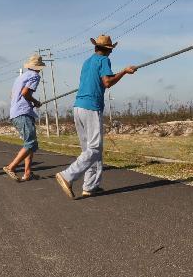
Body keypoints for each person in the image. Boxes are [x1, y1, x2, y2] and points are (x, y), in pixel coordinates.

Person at [55, 35, 136, 199]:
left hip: (78, 107)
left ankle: (91, 186)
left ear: (95, 47)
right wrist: (124, 72)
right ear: (108, 50)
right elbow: (107, 82)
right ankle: (67, 175)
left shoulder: (87, 62)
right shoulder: (103, 60)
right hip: (91, 107)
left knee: (90, 150)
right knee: (94, 148)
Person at [3, 54, 46, 181]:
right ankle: (11, 167)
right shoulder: (35, 76)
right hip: (22, 112)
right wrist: (35, 102)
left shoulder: (21, 77)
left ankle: (28, 172)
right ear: (39, 67)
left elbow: (12, 95)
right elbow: (25, 93)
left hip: (16, 112)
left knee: (29, 143)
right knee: (31, 143)